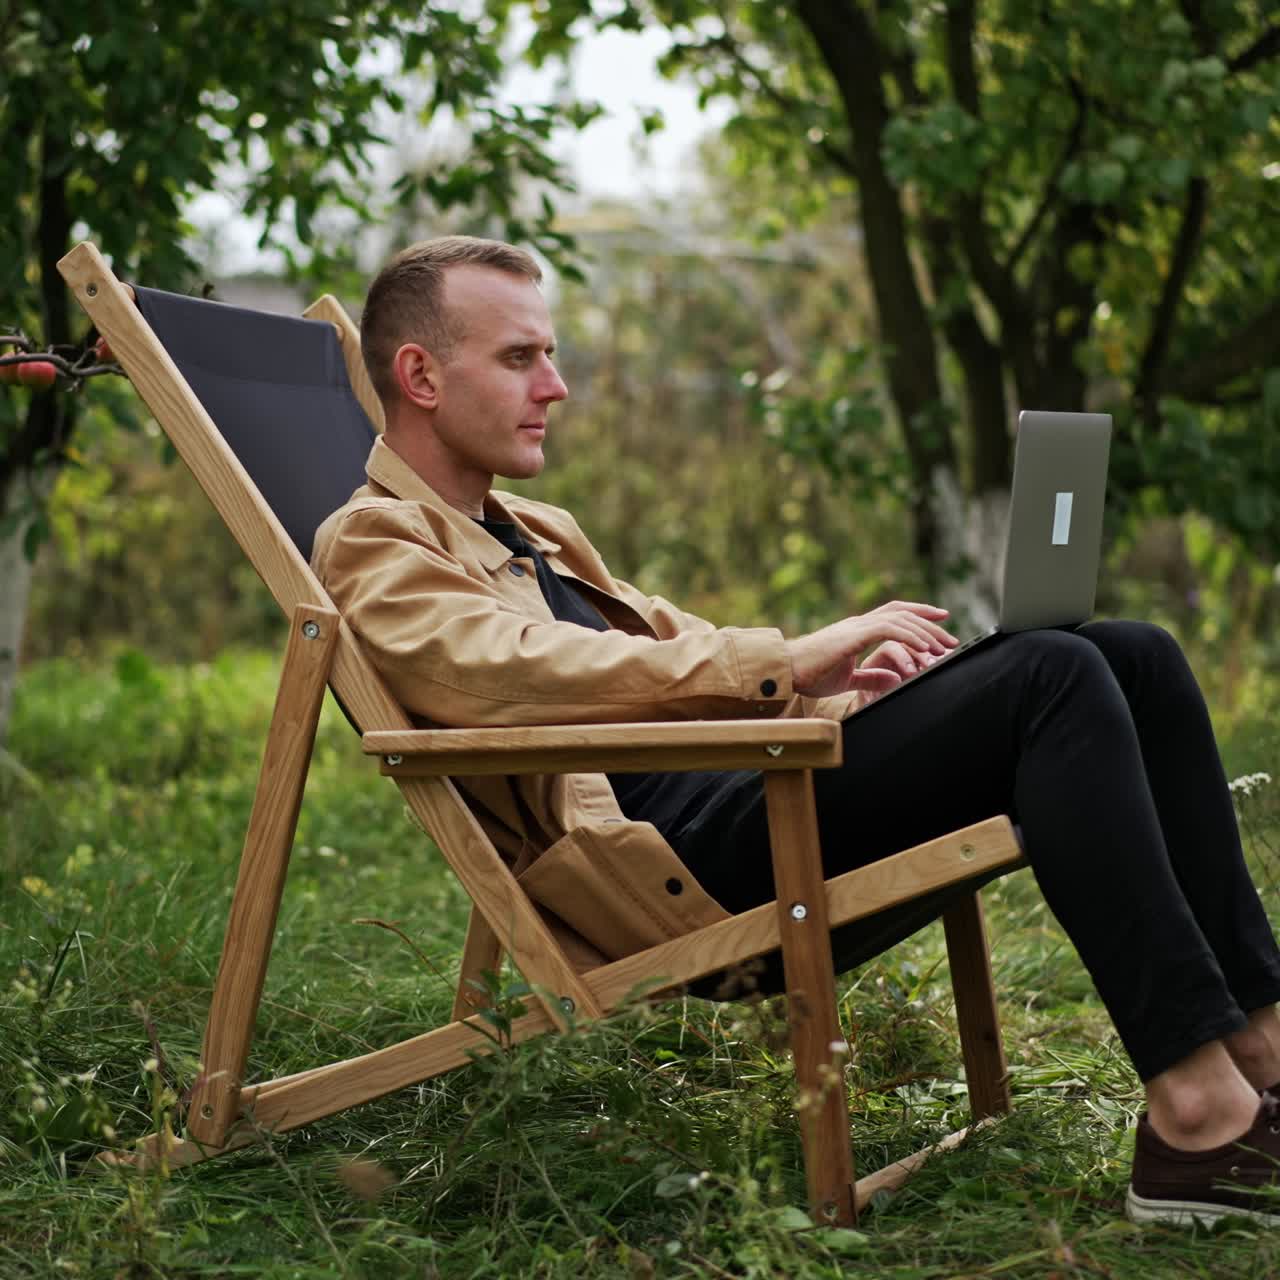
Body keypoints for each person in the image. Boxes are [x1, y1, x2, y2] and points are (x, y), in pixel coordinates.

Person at [312, 235, 1280, 1228]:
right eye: (520, 357)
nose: (554, 386)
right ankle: (1196, 1118)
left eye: (548, 354)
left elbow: (691, 664)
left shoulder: (534, 530)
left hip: (750, 794)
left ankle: (1261, 1056)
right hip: (687, 870)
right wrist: (784, 653)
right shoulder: (371, 541)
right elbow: (503, 674)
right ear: (419, 374)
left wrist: (840, 695)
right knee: (1049, 672)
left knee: (1133, 653)